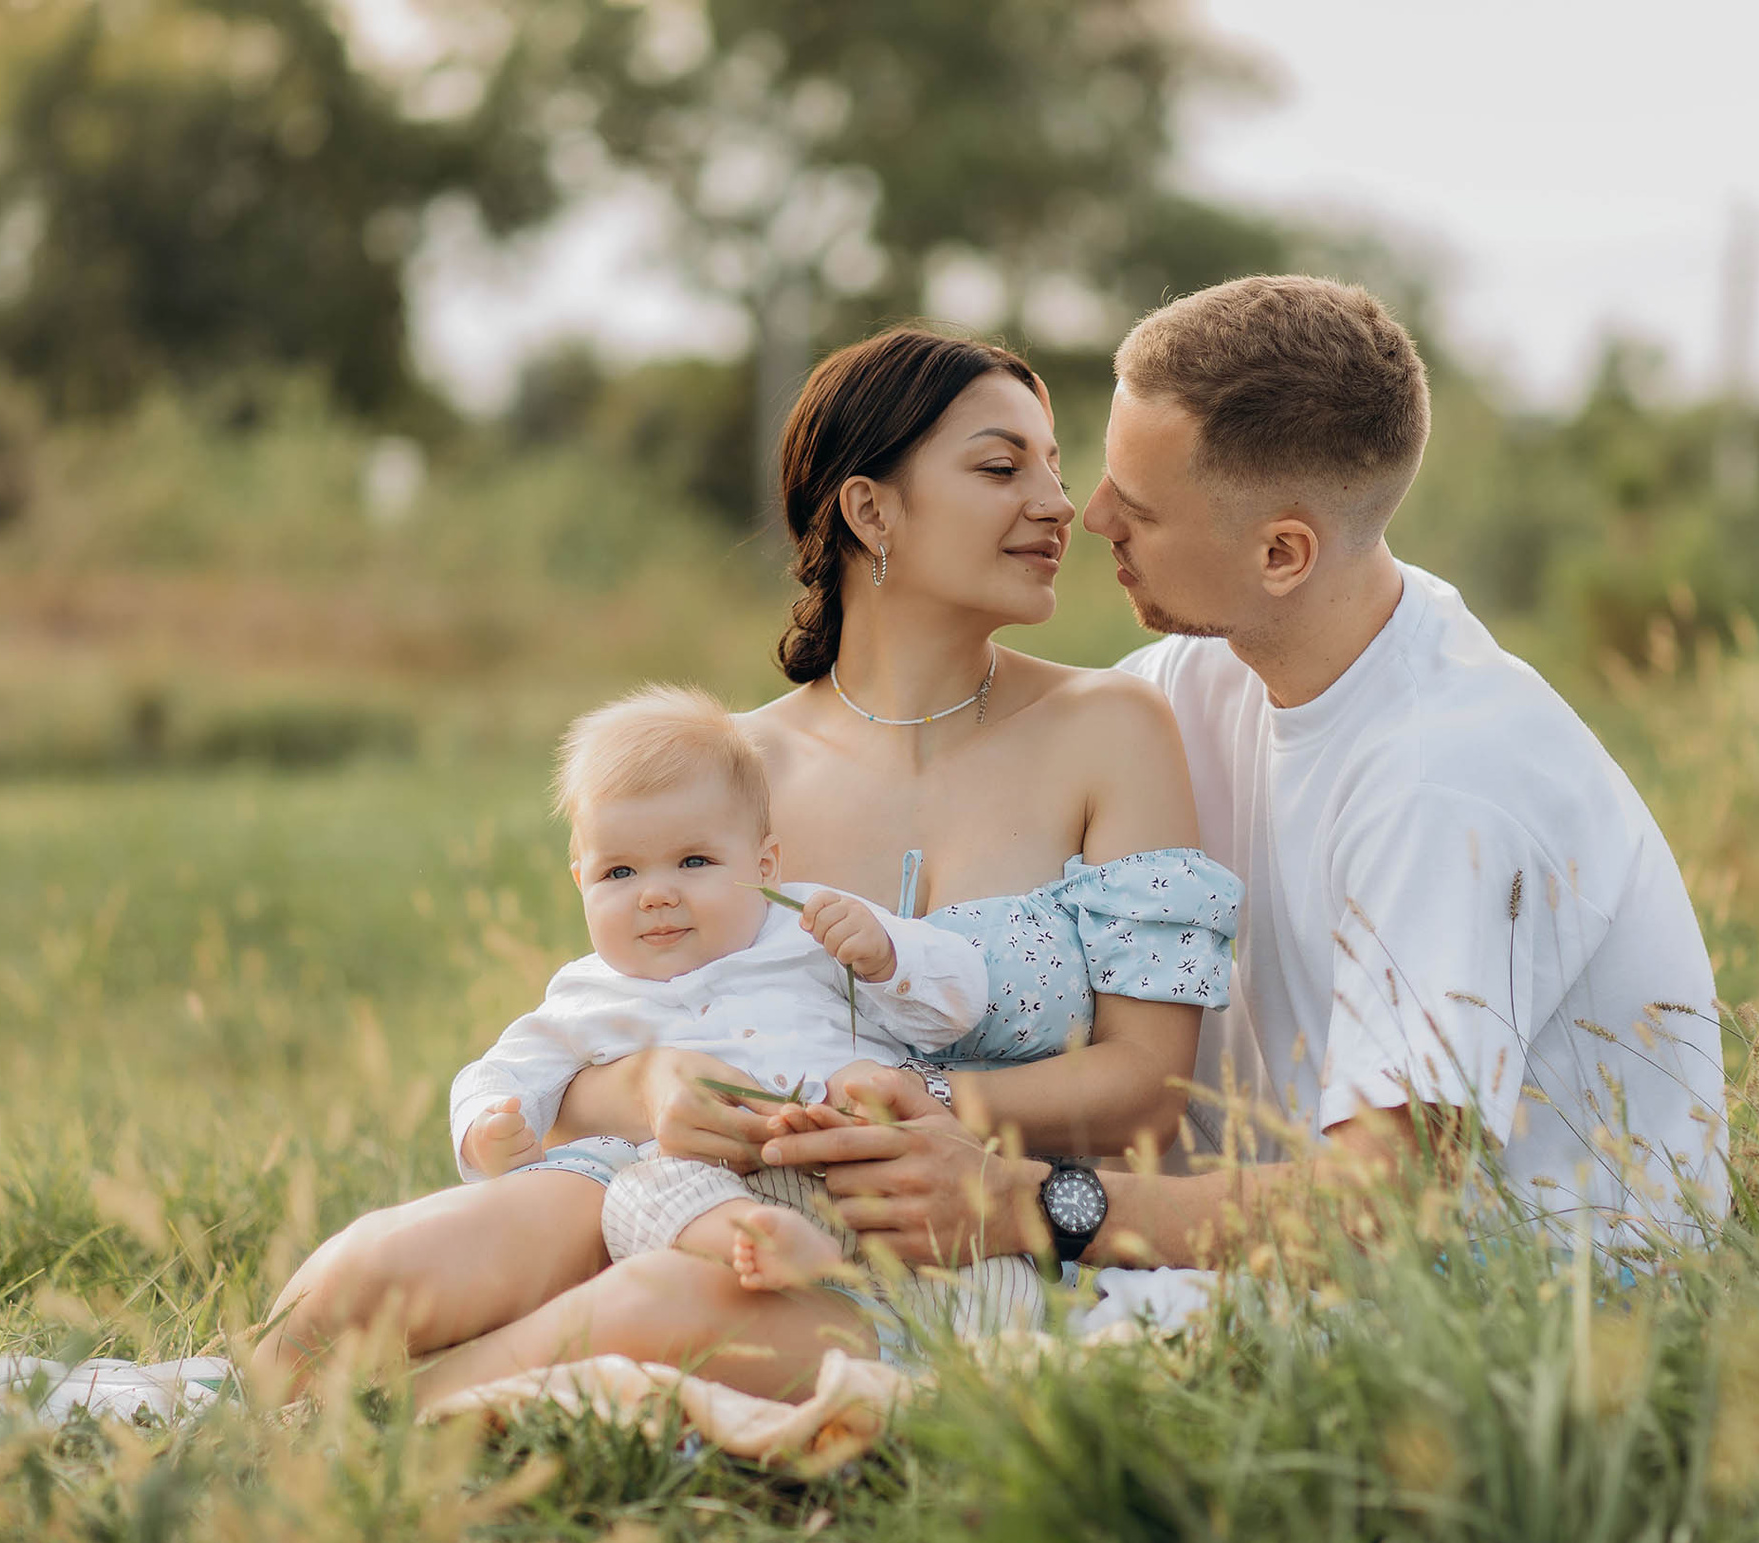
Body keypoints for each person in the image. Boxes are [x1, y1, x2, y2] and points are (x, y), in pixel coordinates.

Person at [246, 327, 1241, 1408]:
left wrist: (925, 1098)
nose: (1058, 503)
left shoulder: (1113, 728)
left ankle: (352, 1451)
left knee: (658, 1313)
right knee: (375, 1271)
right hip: (675, 1184)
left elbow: (1154, 1088)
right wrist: (650, 1086)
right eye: (1005, 468)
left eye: (1054, 465)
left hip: (943, 1239)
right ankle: (254, 1426)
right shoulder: (731, 766)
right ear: (869, 511)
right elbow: (592, 1018)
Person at [757, 276, 1728, 1280]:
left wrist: (1024, 1205)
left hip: (1520, 1310)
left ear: (1280, 553)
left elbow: (1382, 1206)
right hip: (1252, 1264)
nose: (1084, 517)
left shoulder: (1444, 781)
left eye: (1136, 507)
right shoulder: (1205, 678)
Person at [446, 681, 1042, 1357]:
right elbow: (502, 1070)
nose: (657, 893)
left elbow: (959, 1003)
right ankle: (757, 1240)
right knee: (637, 1193)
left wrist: (888, 954)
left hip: (871, 1171)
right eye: (619, 872)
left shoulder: (811, 922)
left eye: (694, 861)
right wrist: (489, 1124)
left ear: (765, 864)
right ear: (579, 878)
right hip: (723, 1185)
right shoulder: (589, 993)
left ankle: (985, 1365)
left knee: (990, 1270)